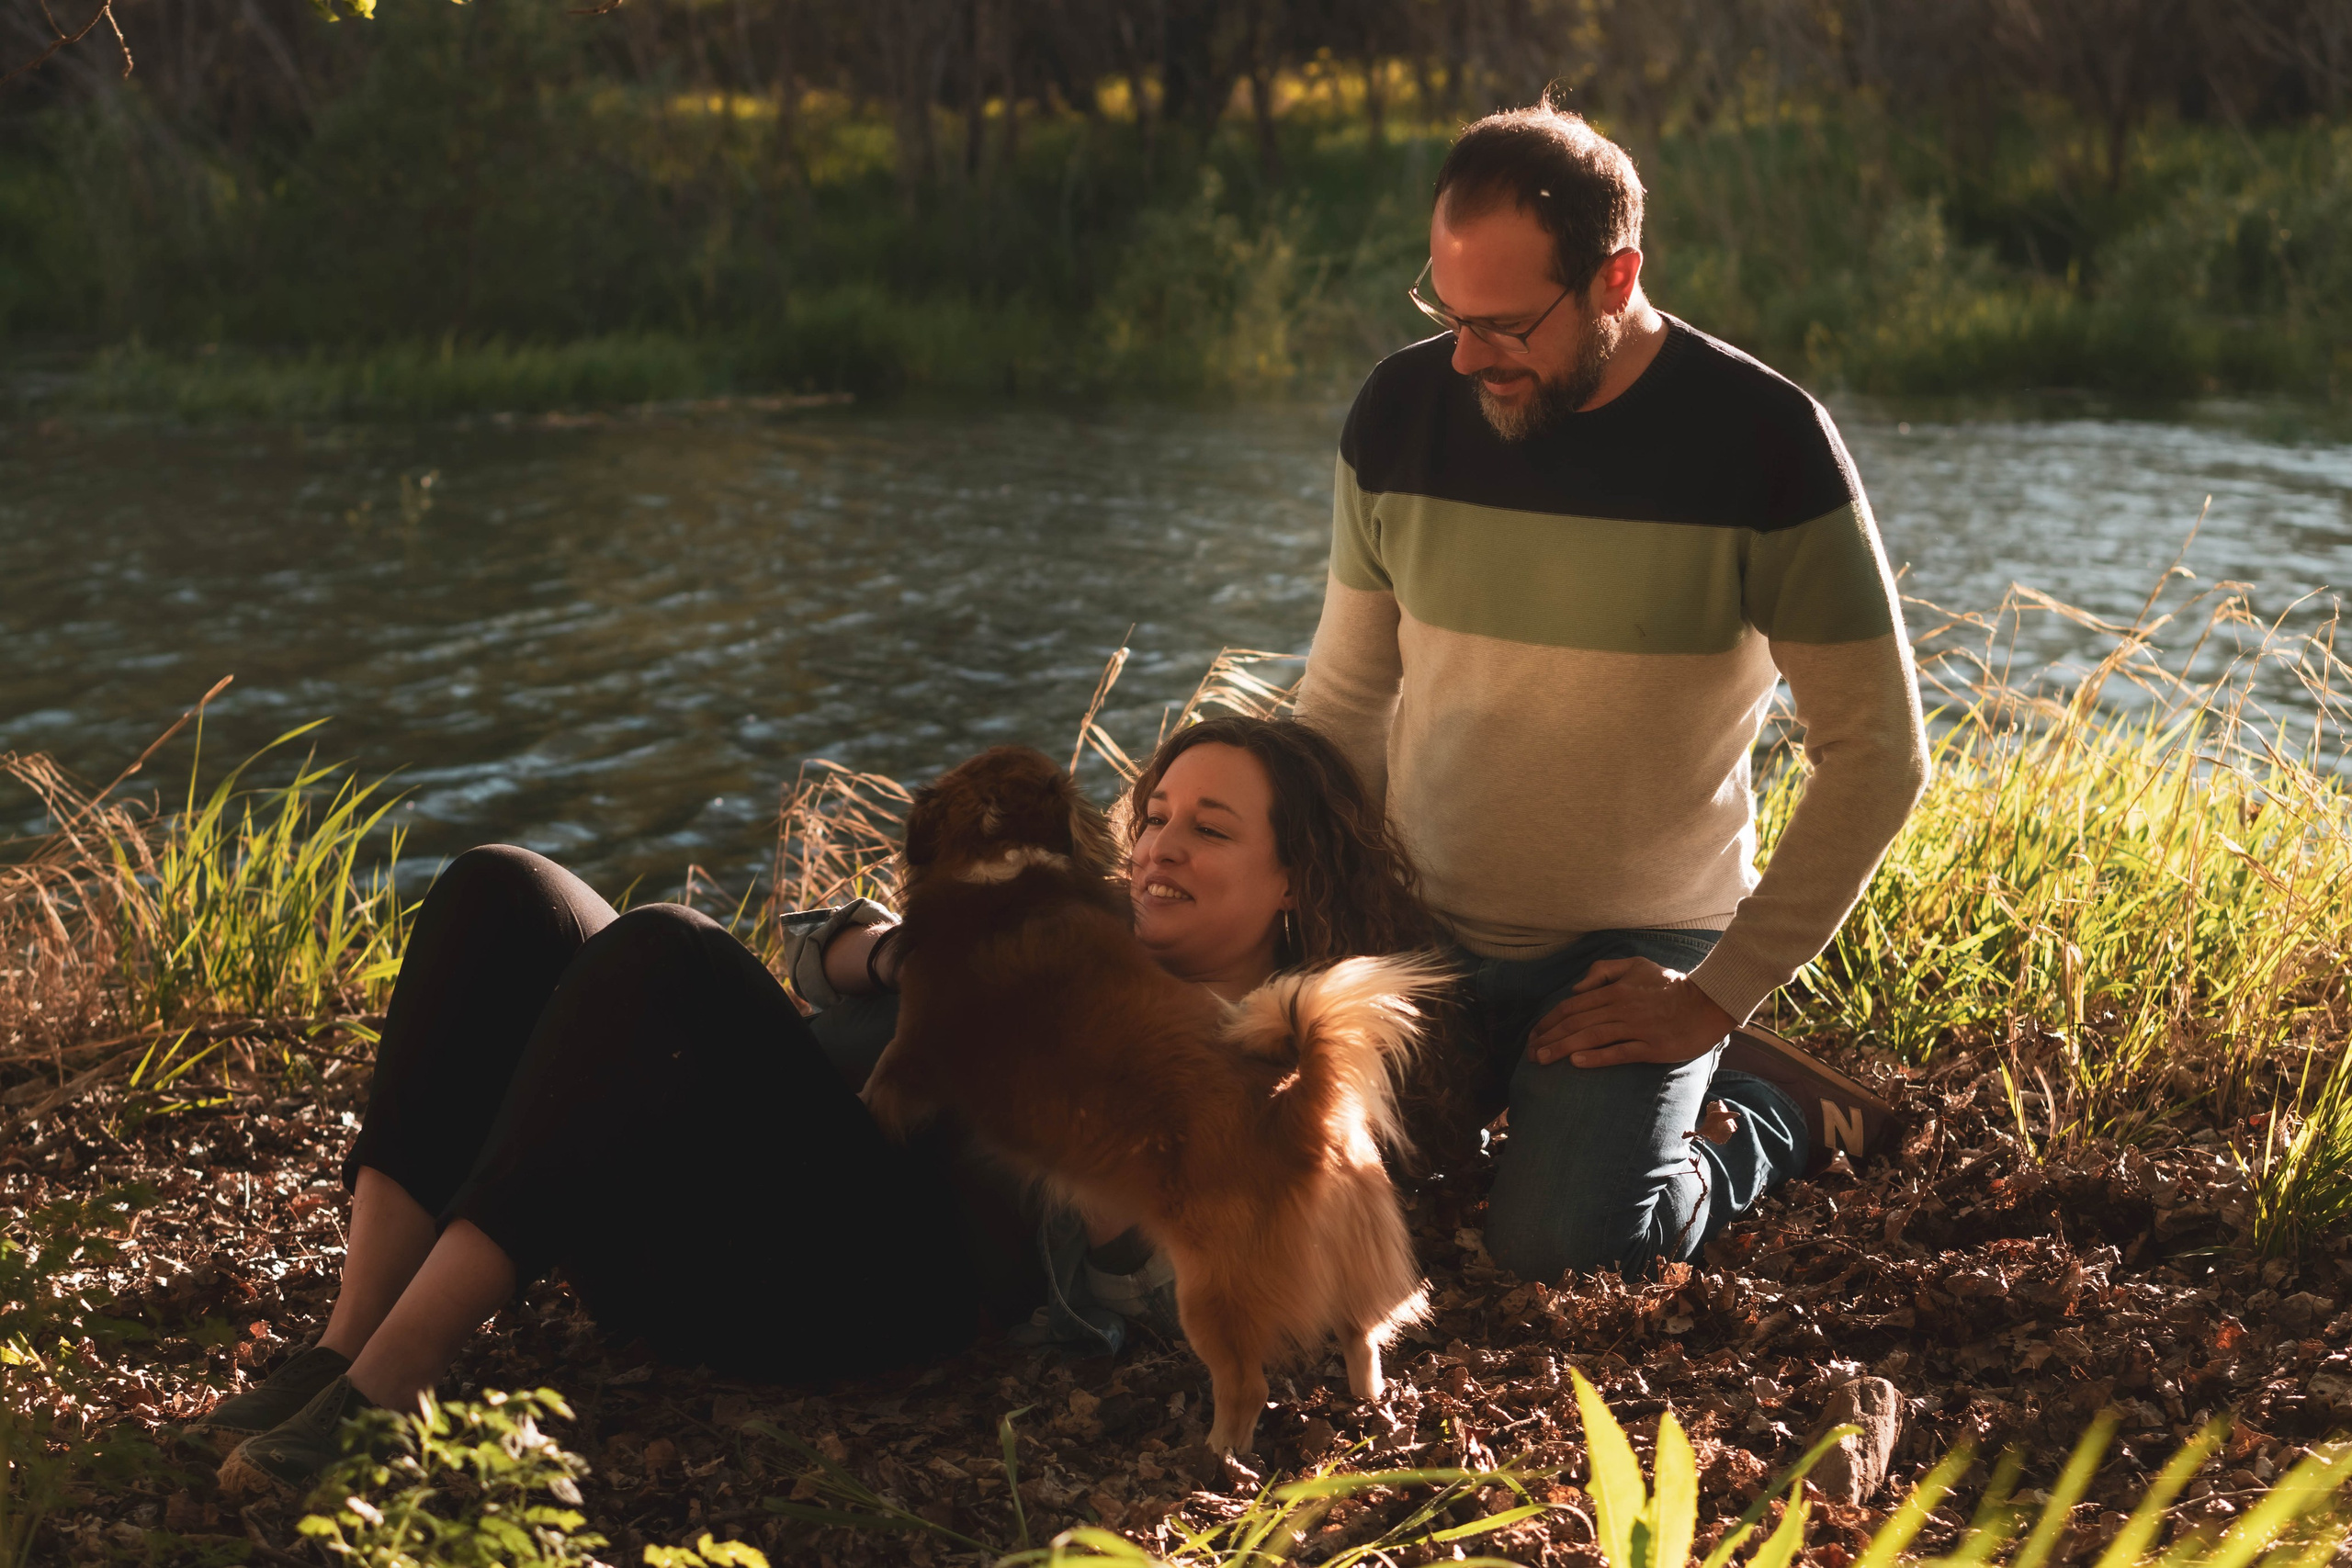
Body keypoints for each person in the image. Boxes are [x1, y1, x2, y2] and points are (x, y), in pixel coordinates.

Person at [198, 715, 1441, 1496]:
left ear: (1290, 887)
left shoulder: (1266, 1072)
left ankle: (394, 1388)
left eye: (1209, 831)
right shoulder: (1062, 935)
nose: (1160, 846)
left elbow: (1138, 1286)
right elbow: (811, 945)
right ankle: (345, 1342)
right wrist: (905, 959)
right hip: (728, 1181)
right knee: (504, 886)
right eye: (1154, 816)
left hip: (853, 1292)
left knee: (667, 955)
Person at [1294, 101, 1930, 1286]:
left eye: (1502, 324)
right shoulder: (1399, 410)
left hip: (1641, 955)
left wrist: (1715, 995)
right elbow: (1339, 704)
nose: (1466, 356)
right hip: (1424, 927)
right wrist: (1323, 926)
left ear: (1615, 277)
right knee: (1346, 1196)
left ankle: (1765, 1115)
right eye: (1445, 311)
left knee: (1562, 1247)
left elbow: (1879, 752)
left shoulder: (1767, 440)